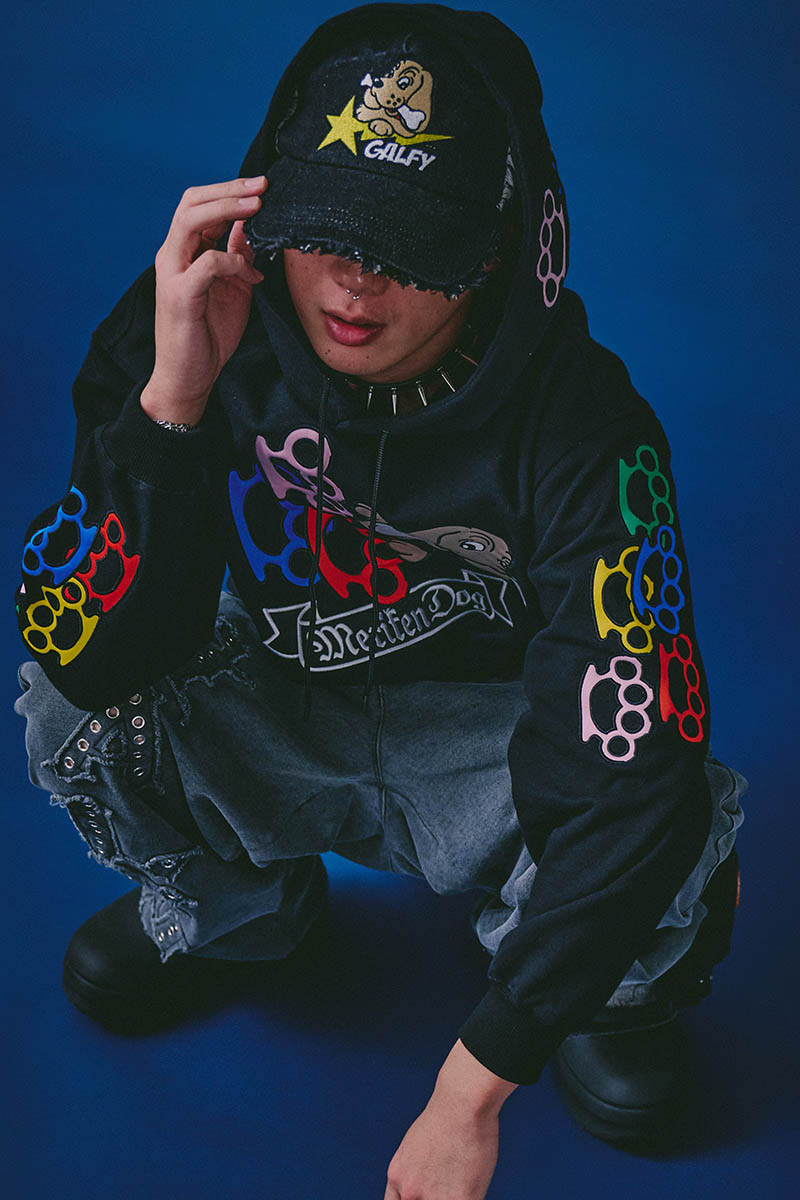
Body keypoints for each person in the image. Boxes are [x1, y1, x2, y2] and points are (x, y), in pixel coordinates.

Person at [14, 2, 745, 1194]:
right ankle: (243, 913)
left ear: (497, 251)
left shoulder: (588, 427)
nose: (356, 281)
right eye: (327, 231)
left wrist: (473, 1088)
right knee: (66, 704)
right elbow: (79, 646)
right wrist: (172, 408)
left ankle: (598, 989)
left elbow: (628, 760)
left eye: (409, 246)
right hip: (287, 694)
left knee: (663, 795)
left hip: (498, 748)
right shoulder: (191, 321)